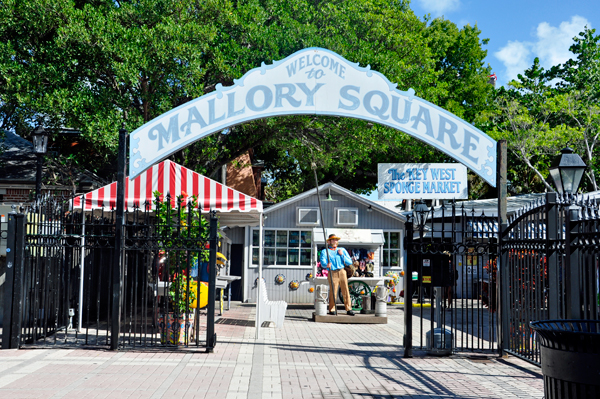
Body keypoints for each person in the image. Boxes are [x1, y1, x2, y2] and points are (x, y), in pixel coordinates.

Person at [319, 234, 355, 316]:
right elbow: (322, 262)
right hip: (332, 272)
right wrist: (326, 264)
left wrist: (342, 255)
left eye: (336, 240)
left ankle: (349, 309)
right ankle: (332, 309)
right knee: (333, 291)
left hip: (342, 271)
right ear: (329, 242)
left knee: (345, 289)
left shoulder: (342, 250)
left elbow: (349, 262)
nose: (335, 241)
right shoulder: (325, 251)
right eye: (333, 240)